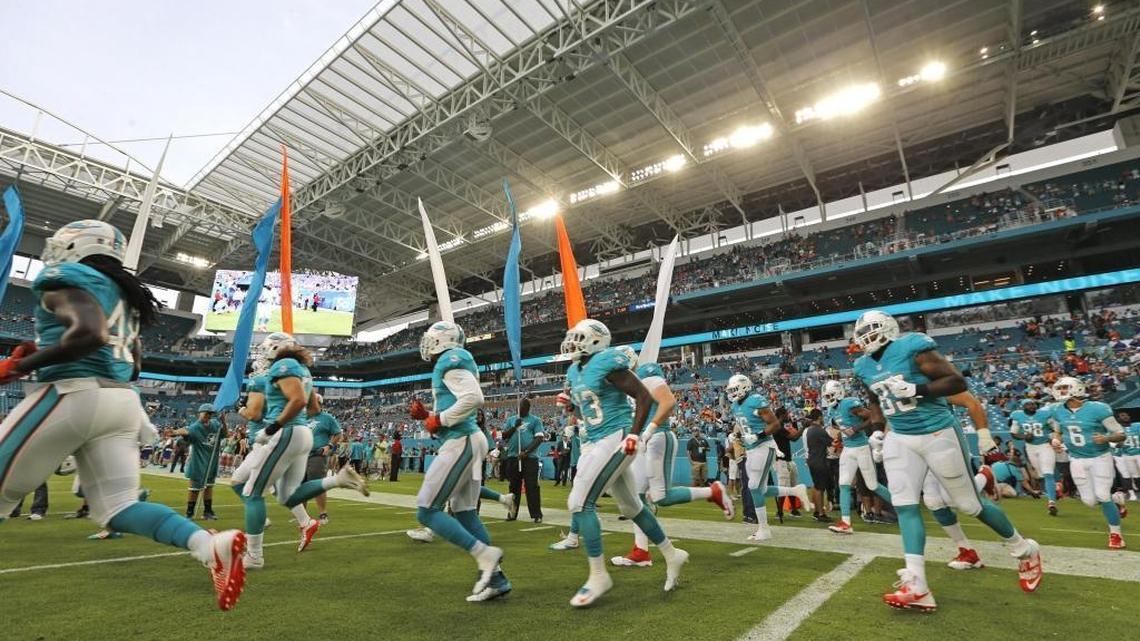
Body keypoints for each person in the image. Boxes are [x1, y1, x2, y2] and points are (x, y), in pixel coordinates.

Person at [0, 220, 246, 609]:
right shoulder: (122, 296)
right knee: (118, 507)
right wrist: (45, 351)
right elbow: (131, 365)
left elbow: (89, 334)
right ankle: (208, 545)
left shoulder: (67, 279)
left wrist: (17, 368)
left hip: (73, 394)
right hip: (120, 403)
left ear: (75, 245)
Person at [852, 310, 1041, 612]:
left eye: (871, 329)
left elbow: (955, 381)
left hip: (937, 431)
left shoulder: (912, 346)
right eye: (861, 332)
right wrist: (876, 431)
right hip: (900, 437)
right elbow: (875, 400)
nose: (865, 337)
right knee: (905, 506)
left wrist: (919, 389)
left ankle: (1024, 548)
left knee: (969, 505)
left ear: (888, 328)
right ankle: (917, 585)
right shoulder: (861, 365)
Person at [561, 319, 687, 607]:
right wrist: (570, 406)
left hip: (615, 436)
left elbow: (643, 396)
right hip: (597, 437)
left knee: (579, 502)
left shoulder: (608, 361)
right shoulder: (575, 369)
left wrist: (634, 434)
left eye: (579, 337)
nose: (572, 342)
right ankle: (671, 553)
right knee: (631, 506)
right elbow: (589, 406)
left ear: (596, 340)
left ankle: (598, 576)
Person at [230, 333, 369, 569]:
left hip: (286, 433)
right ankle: (338, 480)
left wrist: (275, 425)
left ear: (274, 348)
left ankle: (254, 556)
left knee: (253, 493)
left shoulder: (284, 365)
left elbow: (298, 401)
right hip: (302, 432)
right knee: (287, 495)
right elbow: (314, 408)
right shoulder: (304, 371)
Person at [407, 321, 509, 602]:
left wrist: (438, 419)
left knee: (427, 511)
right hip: (467, 439)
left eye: (431, 338)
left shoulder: (452, 359)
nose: (427, 343)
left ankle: (485, 556)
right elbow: (457, 403)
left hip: (462, 440)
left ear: (443, 340)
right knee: (464, 511)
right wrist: (428, 414)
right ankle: (496, 579)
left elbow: (474, 398)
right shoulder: (452, 362)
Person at [612, 358, 734, 568]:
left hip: (658, 437)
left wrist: (649, 430)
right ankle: (641, 551)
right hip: (644, 440)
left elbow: (668, 402)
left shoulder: (648, 375)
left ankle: (712, 491)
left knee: (661, 497)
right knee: (636, 497)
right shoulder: (630, 383)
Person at [726, 374, 812, 541]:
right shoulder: (735, 405)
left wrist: (758, 435)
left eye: (735, 389)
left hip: (764, 446)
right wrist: (736, 435)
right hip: (751, 449)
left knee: (753, 485)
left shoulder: (756, 400)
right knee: (762, 489)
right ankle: (796, 491)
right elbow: (745, 427)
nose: (733, 393)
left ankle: (764, 529)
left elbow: (775, 424)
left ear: (744, 387)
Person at [1049, 376, 1127, 549]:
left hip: (1100, 457)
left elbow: (1121, 434)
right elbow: (1058, 431)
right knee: (1089, 501)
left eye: (1065, 387)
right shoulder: (1056, 410)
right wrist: (1056, 441)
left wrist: (1106, 438)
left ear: (1076, 388)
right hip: (1076, 459)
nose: (1061, 391)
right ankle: (1117, 500)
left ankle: (1116, 535)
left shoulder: (1098, 409)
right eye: (1059, 388)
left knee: (1102, 495)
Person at [822, 381, 893, 534]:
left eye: (829, 395)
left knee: (873, 485)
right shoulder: (831, 410)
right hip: (848, 449)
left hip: (861, 447)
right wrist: (841, 438)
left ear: (838, 393)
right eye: (826, 396)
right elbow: (842, 427)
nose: (828, 398)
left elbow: (873, 417)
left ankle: (902, 505)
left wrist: (856, 428)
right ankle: (846, 523)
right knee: (844, 484)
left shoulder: (848, 404)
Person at [169, 404, 225, 520]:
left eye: (210, 413)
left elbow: (225, 434)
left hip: (212, 461)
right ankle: (190, 512)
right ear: (200, 413)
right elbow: (186, 431)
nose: (208, 416)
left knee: (209, 487)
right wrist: (176, 432)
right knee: (194, 489)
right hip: (198, 462)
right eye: (206, 413)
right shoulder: (195, 427)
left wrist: (224, 422)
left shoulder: (215, 424)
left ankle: (208, 511)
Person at [1010, 398, 1059, 515]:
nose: (1032, 406)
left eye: (1033, 403)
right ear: (1023, 406)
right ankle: (1057, 489)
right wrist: (1024, 437)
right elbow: (1013, 433)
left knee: (1048, 474)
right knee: (1040, 475)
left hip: (1045, 445)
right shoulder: (1017, 416)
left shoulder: (1044, 414)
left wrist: (1054, 438)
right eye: (1028, 404)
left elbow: (1057, 429)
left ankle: (1052, 502)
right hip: (1030, 447)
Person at [502, 397, 544, 523]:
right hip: (513, 457)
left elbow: (539, 438)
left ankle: (536, 514)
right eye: (520, 407)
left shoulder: (535, 420)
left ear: (528, 408)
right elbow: (504, 436)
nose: (521, 409)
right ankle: (512, 513)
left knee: (532, 487)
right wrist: (514, 427)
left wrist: (526, 452)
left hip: (530, 458)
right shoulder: (511, 420)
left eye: (524, 407)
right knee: (513, 487)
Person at [306, 400, 342, 524]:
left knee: (317, 485)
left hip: (317, 454)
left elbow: (338, 433)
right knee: (300, 486)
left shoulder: (327, 418)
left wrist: (329, 446)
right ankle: (303, 516)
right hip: (301, 455)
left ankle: (323, 513)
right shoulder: (303, 417)